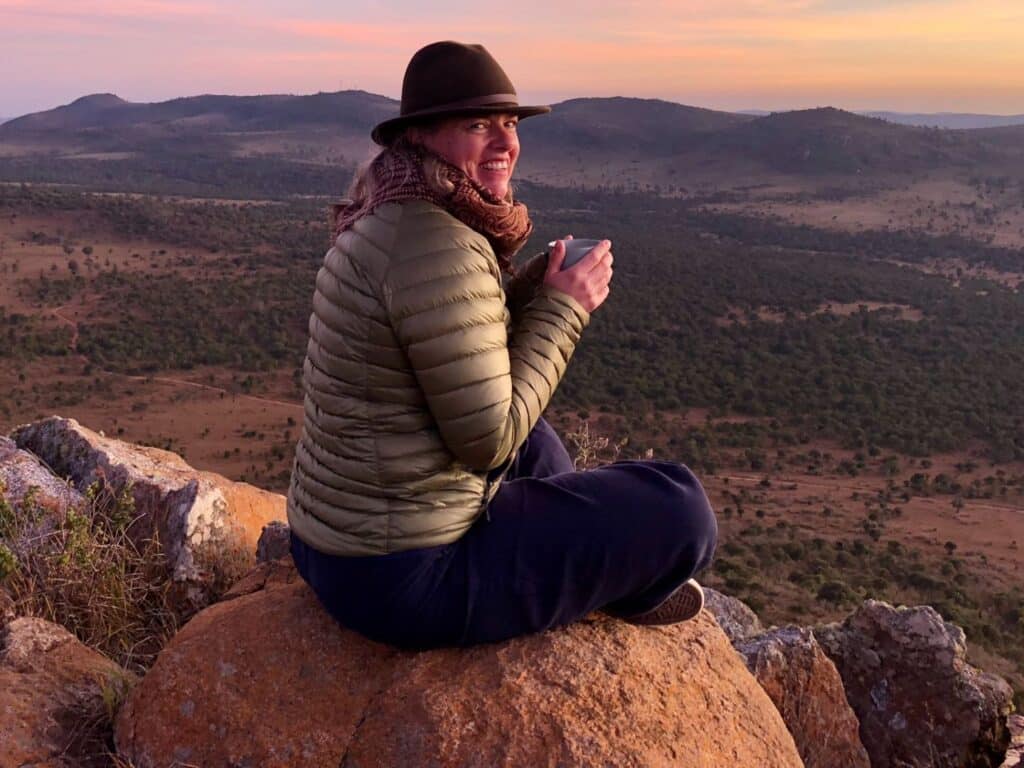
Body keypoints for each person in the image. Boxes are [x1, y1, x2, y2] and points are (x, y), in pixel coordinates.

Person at [287, 41, 717, 649]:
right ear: (422, 136)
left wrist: (523, 295)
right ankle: (613, 581)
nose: (505, 142)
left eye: (510, 124)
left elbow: (442, 346)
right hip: (403, 575)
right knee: (681, 509)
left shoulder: (388, 214)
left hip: (333, 546)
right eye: (478, 124)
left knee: (538, 447)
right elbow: (487, 441)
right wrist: (567, 309)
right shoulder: (438, 243)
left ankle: (588, 571)